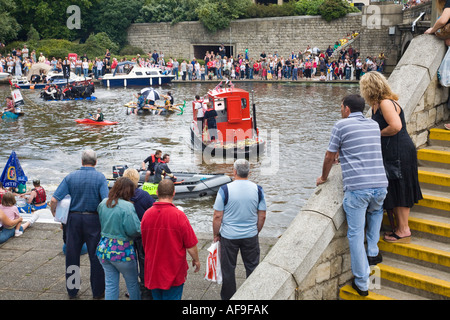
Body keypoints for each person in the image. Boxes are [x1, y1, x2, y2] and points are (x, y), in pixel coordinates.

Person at [316, 94, 388, 297]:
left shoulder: (341, 125)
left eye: (341, 107)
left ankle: (363, 282)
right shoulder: (373, 125)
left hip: (358, 188)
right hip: (380, 184)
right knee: (376, 212)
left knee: (355, 234)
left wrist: (323, 177)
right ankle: (373, 251)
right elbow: (361, 147)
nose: (340, 110)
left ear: (347, 109)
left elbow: (329, 155)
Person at [360, 72, 423, 244]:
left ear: (369, 88)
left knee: (400, 186)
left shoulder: (385, 103)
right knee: (395, 186)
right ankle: (400, 227)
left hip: (399, 150)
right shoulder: (376, 105)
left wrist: (377, 134)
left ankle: (403, 229)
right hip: (392, 151)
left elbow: (396, 126)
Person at [50, 149, 109, 299]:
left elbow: (54, 200)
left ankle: (73, 289)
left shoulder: (71, 177)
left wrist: (58, 217)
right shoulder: (100, 178)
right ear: (95, 162)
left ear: (81, 161)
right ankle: (97, 291)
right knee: (95, 257)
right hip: (93, 220)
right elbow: (105, 202)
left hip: (74, 220)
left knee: (72, 255)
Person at [212, 159, 267, 300]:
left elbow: (217, 216)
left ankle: (229, 298)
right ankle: (253, 296)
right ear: (249, 172)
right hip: (250, 235)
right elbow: (262, 215)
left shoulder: (225, 190)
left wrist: (216, 234)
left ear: (234, 171)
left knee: (228, 269)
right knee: (252, 267)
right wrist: (256, 231)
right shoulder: (258, 189)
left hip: (229, 237)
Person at [141, 179, 200, 300]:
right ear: (174, 193)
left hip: (153, 269)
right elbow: (190, 245)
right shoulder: (179, 216)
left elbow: (145, 240)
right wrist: (196, 260)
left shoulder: (146, 215)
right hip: (173, 270)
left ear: (157, 193)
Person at [96, 177, 142, 300]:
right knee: (132, 283)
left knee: (111, 284)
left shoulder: (103, 203)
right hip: (122, 251)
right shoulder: (127, 207)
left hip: (104, 249)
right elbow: (134, 230)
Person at [123, 168, 155, 299]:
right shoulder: (143, 196)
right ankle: (146, 289)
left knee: (130, 264)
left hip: (127, 235)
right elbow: (153, 211)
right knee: (144, 262)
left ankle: (133, 289)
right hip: (142, 235)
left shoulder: (122, 197)